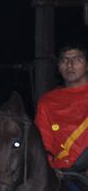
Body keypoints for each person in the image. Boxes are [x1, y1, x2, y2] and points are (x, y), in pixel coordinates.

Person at [35, 44, 88, 173]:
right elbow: (43, 142)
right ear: (58, 67)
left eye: (77, 59)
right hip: (62, 174)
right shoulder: (47, 101)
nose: (69, 65)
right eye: (64, 60)